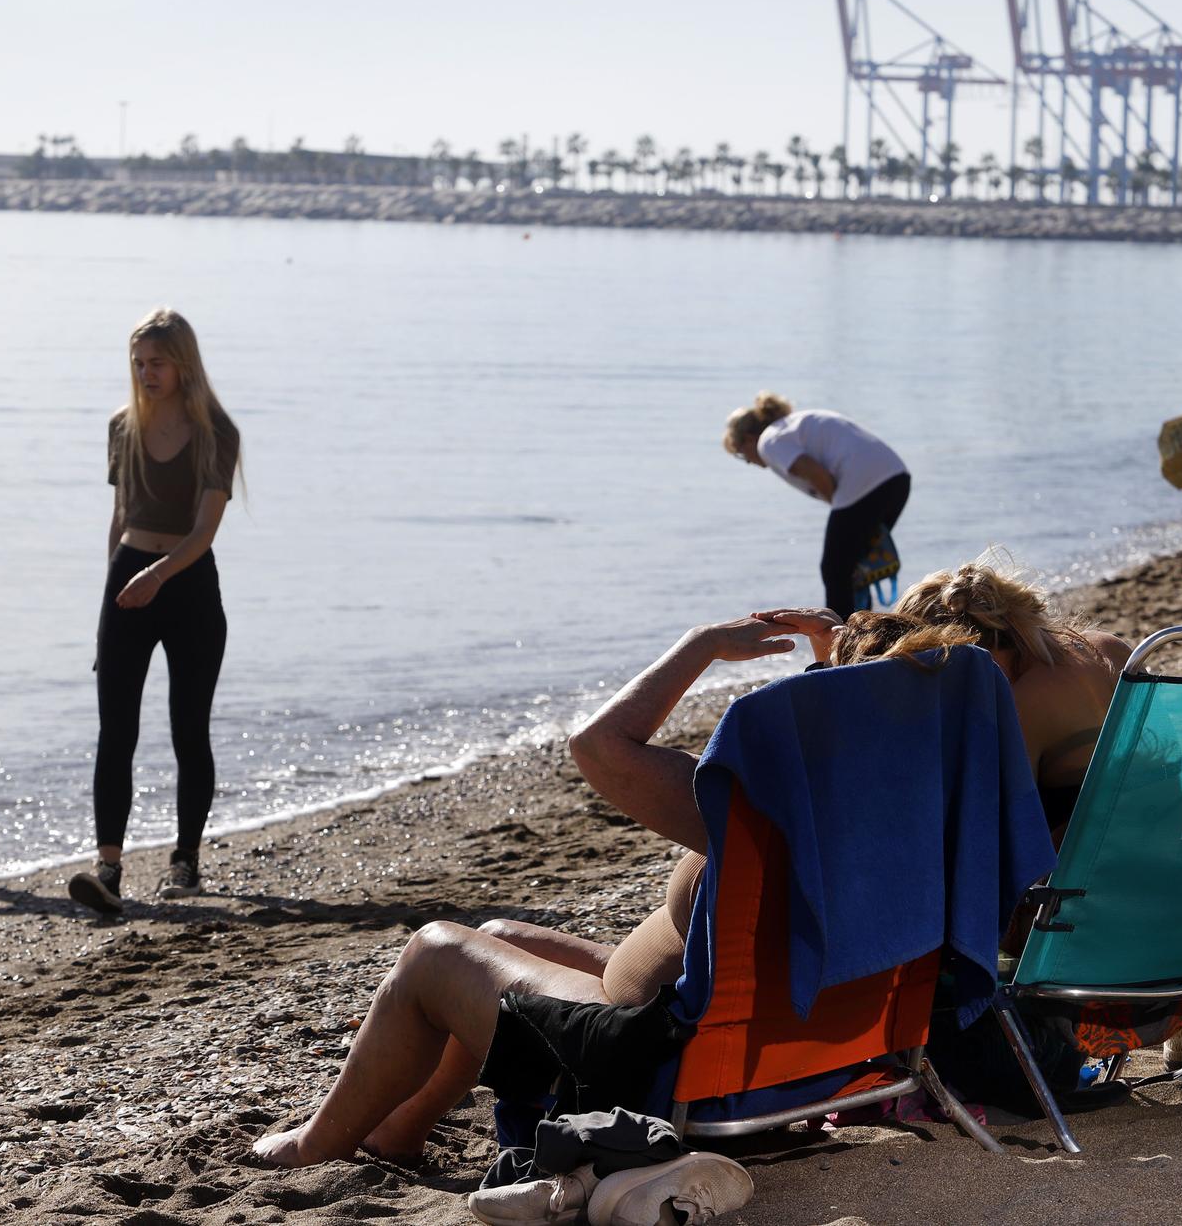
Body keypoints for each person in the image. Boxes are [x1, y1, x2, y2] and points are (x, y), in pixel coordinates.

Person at [246, 560, 1127, 1170]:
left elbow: (598, 743)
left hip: (682, 1068)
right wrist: (850, 681)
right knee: (504, 936)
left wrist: (705, 643)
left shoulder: (767, 801)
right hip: (803, 1059)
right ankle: (396, 1131)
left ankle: (316, 1144)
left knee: (438, 948)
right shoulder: (942, 818)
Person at [68, 309, 242, 916]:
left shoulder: (217, 431)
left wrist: (157, 577)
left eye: (157, 363)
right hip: (127, 583)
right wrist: (113, 595)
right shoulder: (123, 427)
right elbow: (120, 518)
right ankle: (108, 868)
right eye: (139, 363)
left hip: (188, 585)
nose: (146, 373)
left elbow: (204, 531)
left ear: (183, 363)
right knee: (115, 731)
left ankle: (185, 862)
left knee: (188, 730)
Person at [722, 393, 910, 619]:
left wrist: (838, 510)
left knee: (835, 570)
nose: (752, 463)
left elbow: (817, 474)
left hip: (863, 485)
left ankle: (841, 644)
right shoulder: (794, 424)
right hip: (897, 478)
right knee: (854, 567)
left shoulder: (769, 441)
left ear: (749, 439)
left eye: (744, 455)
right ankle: (863, 633)